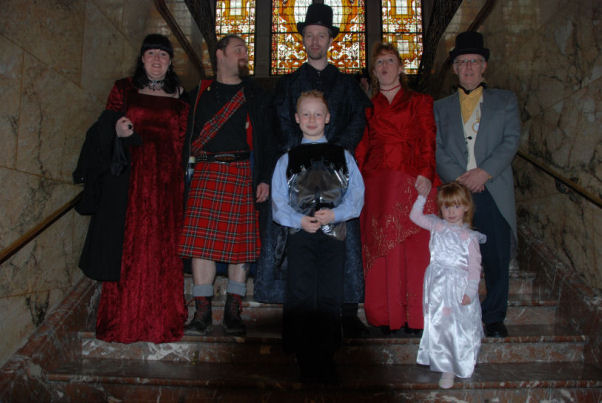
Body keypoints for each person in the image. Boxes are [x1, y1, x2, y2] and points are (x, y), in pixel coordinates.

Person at [254, 3, 371, 337]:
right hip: (298, 171)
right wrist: (303, 152)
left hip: (336, 172)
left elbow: (358, 120)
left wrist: (333, 151)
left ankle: (346, 309)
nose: (315, 41)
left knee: (343, 244)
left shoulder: (346, 84)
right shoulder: (289, 83)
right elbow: (278, 123)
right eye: (310, 35)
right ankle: (295, 313)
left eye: (321, 35)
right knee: (295, 248)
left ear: (330, 40)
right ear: (303, 39)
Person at [77, 34, 189, 343]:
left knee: (161, 251)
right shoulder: (123, 89)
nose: (157, 60)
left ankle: (160, 321)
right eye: (151, 54)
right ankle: (122, 320)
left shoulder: (182, 97)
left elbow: (182, 144)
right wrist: (115, 128)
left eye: (163, 55)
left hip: (166, 185)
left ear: (170, 61)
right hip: (128, 181)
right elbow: (102, 128)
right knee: (126, 248)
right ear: (142, 58)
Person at [178, 34, 274, 336]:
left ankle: (233, 311)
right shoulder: (197, 94)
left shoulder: (255, 95)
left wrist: (264, 177)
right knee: (201, 246)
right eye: (238, 49)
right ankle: (202, 312)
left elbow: (269, 139)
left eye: (246, 49)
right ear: (220, 54)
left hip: (241, 171)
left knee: (239, 248)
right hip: (206, 172)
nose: (244, 54)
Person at [271, 90, 365, 383]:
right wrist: (298, 220)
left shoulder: (343, 156)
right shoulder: (286, 159)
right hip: (300, 235)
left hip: (332, 236)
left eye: (317, 114)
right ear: (297, 119)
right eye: (306, 114)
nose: (312, 119)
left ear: (327, 118)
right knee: (301, 294)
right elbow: (278, 203)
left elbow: (356, 196)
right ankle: (303, 355)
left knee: (329, 294)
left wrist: (335, 215)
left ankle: (325, 355)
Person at [435, 31, 520, 338]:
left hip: (493, 188)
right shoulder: (439, 107)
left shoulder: (505, 100)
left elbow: (511, 140)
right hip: (457, 194)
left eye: (474, 61)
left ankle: (494, 316)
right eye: (462, 62)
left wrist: (484, 173)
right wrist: (461, 179)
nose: (468, 67)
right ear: (454, 68)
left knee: (496, 255)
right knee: (456, 259)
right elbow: (436, 147)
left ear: (484, 66)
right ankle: (455, 314)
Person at [355, 42, 439, 335]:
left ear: (401, 67)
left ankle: (416, 317)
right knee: (381, 249)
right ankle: (384, 315)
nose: (385, 67)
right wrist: (354, 183)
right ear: (374, 71)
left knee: (415, 251)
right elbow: (362, 147)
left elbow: (428, 139)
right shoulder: (367, 107)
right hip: (378, 184)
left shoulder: (420, 101)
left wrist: (426, 173)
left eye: (390, 61)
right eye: (380, 63)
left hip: (412, 181)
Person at [409, 181, 486, 389]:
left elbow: (474, 268)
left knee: (460, 326)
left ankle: (459, 361)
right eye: (446, 207)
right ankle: (445, 365)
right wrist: (422, 197)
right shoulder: (438, 226)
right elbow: (415, 216)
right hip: (437, 287)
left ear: (466, 207)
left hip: (459, 289)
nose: (451, 212)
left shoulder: (470, 237)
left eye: (456, 206)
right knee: (441, 326)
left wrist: (471, 291)